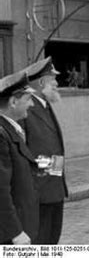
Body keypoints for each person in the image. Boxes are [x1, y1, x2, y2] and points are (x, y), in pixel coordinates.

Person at [19, 57, 68, 245]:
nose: (57, 83)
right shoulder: (27, 110)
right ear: (41, 83)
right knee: (41, 243)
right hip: (39, 196)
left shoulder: (45, 105)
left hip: (53, 191)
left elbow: (52, 149)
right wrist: (49, 176)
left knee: (52, 241)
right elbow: (24, 156)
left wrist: (57, 179)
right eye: (52, 79)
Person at [0, 71, 38, 245]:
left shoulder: (10, 129)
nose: (31, 104)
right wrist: (15, 232)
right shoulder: (2, 135)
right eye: (28, 99)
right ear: (13, 102)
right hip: (11, 236)